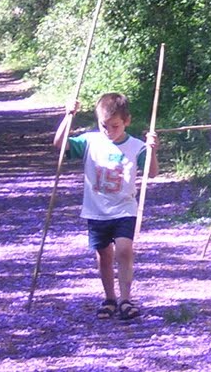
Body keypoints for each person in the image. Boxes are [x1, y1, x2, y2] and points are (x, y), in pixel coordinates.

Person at [52, 92, 158, 320]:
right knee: (104, 255)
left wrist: (152, 150)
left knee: (124, 249)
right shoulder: (90, 141)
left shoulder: (136, 146)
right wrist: (68, 116)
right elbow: (60, 145)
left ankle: (126, 299)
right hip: (96, 210)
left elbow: (152, 172)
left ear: (127, 121)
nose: (109, 131)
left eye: (115, 126)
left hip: (124, 208)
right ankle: (109, 298)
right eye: (104, 126)